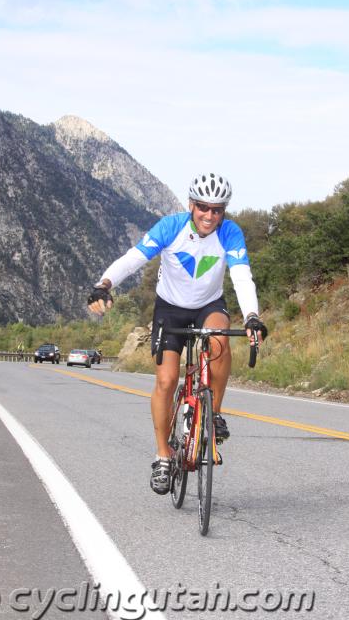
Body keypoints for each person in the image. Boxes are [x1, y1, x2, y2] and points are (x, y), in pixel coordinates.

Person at [88, 173, 267, 495]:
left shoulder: (230, 232)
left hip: (208, 305)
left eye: (217, 210)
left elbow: (242, 276)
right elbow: (133, 259)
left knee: (220, 340)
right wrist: (104, 284)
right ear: (191, 205)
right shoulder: (171, 227)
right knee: (167, 380)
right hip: (169, 308)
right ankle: (162, 456)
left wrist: (253, 316)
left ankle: (214, 415)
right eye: (203, 207)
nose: (209, 215)